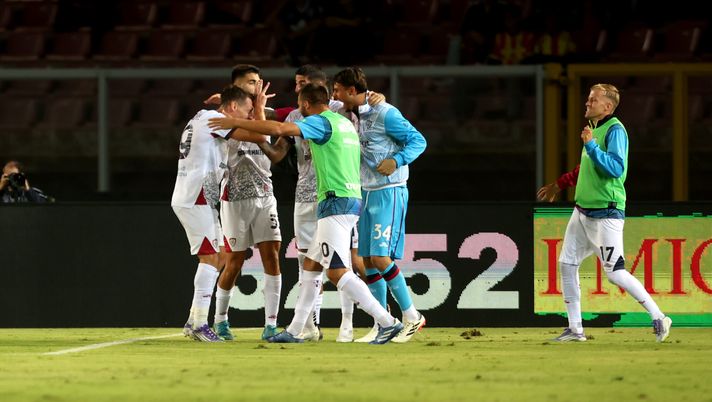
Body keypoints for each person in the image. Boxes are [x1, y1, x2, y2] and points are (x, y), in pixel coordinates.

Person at [208, 83, 404, 345]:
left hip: (336, 201)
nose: (299, 110)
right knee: (311, 268)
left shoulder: (321, 122)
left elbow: (278, 129)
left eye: (300, 105)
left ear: (307, 105)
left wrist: (231, 121)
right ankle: (296, 329)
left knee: (335, 271)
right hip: (346, 198)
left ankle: (388, 322)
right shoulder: (344, 122)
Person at [256, 65, 384, 342]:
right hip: (309, 196)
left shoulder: (341, 110)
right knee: (311, 265)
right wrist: (258, 131)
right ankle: (305, 328)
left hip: (334, 195)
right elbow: (278, 145)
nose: (298, 87)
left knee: (344, 264)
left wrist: (378, 97)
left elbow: (368, 101)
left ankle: (360, 323)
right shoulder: (296, 114)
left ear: (322, 87)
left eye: (304, 83)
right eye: (297, 82)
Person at [537, 83, 672, 343]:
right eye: (588, 99)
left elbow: (615, 169)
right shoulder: (595, 130)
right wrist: (560, 184)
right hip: (582, 211)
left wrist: (592, 147)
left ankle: (659, 316)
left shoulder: (615, 131)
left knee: (614, 273)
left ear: (607, 106)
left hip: (606, 212)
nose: (587, 103)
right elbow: (586, 169)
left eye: (593, 100)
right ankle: (575, 330)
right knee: (567, 264)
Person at [332, 67, 427, 343]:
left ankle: (411, 316)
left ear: (351, 91)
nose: (334, 96)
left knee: (382, 257)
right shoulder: (346, 110)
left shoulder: (386, 113)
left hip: (390, 190)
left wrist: (397, 161)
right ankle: (381, 323)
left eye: (337, 90)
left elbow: (419, 140)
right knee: (369, 262)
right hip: (367, 191)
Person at [171, 85, 266, 342]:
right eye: (246, 110)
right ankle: (200, 323)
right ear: (233, 107)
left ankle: (194, 318)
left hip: (197, 196)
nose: (249, 116)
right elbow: (261, 137)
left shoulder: (204, 117)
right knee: (211, 258)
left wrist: (249, 107)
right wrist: (260, 111)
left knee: (222, 254)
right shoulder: (216, 120)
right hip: (196, 196)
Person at [212, 67, 284, 341]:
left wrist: (263, 110)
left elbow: (288, 118)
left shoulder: (265, 112)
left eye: (258, 82)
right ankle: (220, 321)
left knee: (272, 257)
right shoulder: (223, 118)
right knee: (234, 262)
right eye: (251, 82)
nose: (256, 86)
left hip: (265, 196)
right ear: (237, 86)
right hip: (234, 199)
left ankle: (271, 325)